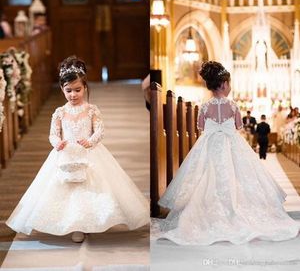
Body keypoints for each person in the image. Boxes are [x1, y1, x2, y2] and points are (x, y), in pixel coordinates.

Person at [154, 61, 300, 245]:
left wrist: (215, 127)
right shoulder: (233, 106)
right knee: (237, 176)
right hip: (232, 144)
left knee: (208, 175)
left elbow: (200, 126)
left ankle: (207, 211)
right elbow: (239, 126)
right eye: (229, 83)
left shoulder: (205, 107)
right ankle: (235, 211)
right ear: (223, 84)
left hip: (210, 144)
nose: (230, 87)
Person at [6, 56, 149, 243]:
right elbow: (53, 133)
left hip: (88, 153)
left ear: (85, 88)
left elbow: (99, 129)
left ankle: (89, 221)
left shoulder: (91, 110)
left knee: (92, 186)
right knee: (66, 187)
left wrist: (91, 140)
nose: (73, 95)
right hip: (65, 155)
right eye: (68, 91)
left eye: (77, 90)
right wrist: (56, 143)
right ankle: (74, 224)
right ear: (62, 90)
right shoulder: (59, 112)